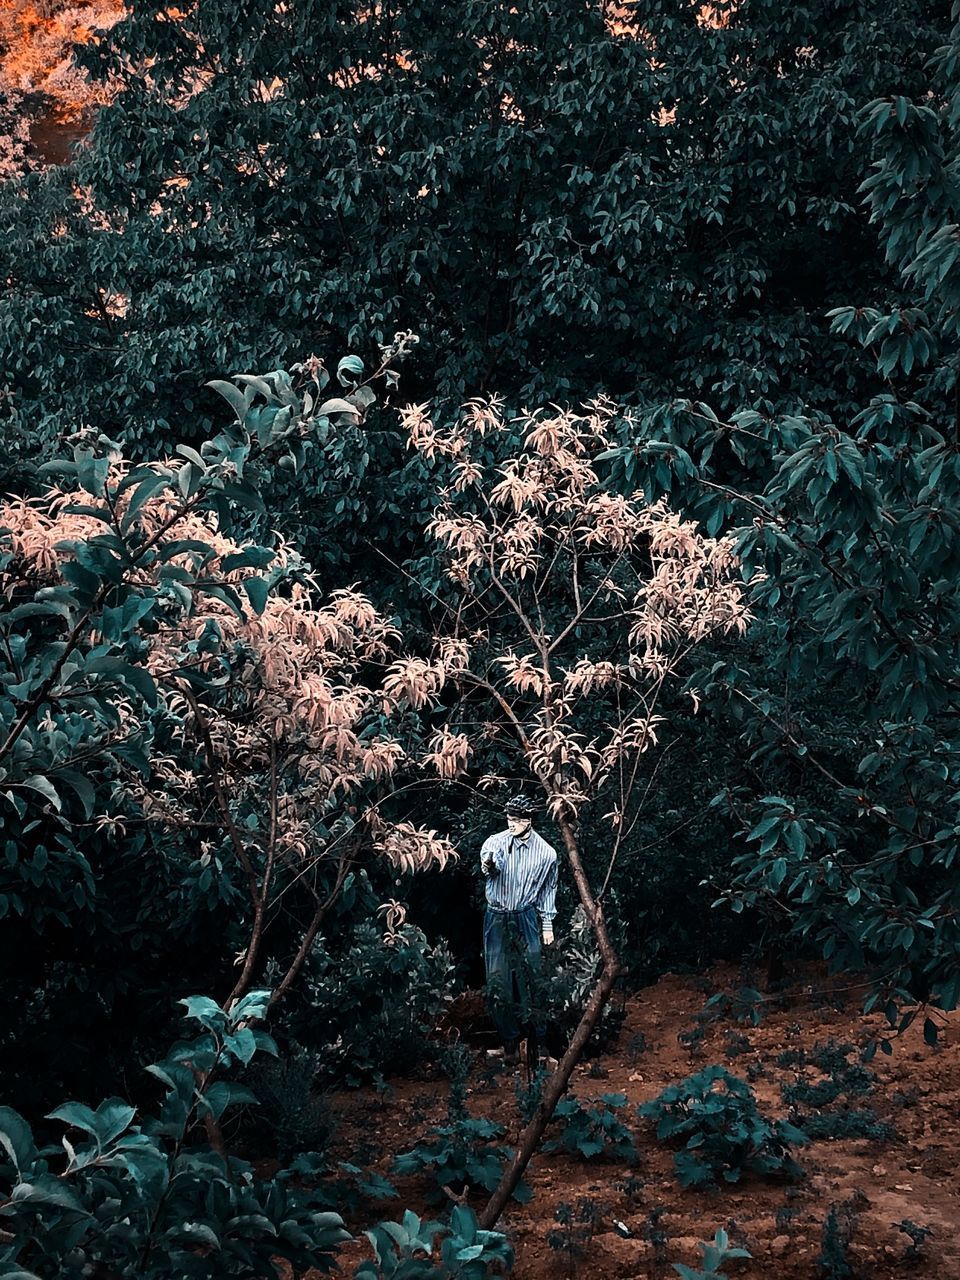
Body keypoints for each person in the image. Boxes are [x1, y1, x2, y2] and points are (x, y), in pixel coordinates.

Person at [480, 793, 558, 1067]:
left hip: (525, 917)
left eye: (516, 819)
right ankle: (509, 1044)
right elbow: (491, 866)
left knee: (532, 977)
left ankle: (539, 1043)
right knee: (498, 980)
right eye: (509, 818)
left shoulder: (547, 853)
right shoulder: (496, 842)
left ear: (529, 820)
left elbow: (548, 890)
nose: (511, 824)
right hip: (497, 916)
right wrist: (490, 865)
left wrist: (547, 924)